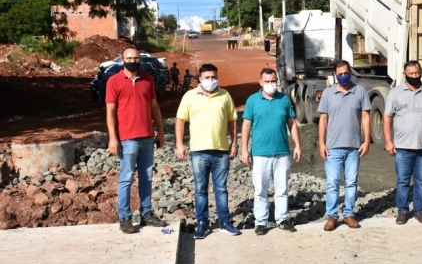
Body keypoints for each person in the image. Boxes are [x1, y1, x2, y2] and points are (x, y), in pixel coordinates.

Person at [175, 63, 241, 238]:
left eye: (214, 77)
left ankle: (224, 222)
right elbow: (180, 120)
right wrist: (179, 145)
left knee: (221, 189)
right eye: (207, 78)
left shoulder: (225, 95)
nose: (211, 81)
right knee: (200, 189)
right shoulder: (190, 96)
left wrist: (234, 144)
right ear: (200, 79)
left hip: (221, 151)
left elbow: (232, 121)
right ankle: (202, 223)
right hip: (198, 151)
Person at [106, 47, 167, 234]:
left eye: (136, 58)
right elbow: (110, 111)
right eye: (129, 58)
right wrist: (113, 138)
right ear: (122, 59)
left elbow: (154, 106)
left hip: (147, 137)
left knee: (146, 177)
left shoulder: (147, 79)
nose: (133, 60)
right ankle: (124, 217)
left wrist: (161, 131)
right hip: (127, 139)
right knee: (126, 178)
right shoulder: (114, 81)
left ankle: (146, 213)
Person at [241, 68, 302, 235]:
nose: (271, 84)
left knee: (281, 188)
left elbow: (292, 123)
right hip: (260, 153)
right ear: (260, 82)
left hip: (282, 152)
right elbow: (246, 125)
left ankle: (282, 219)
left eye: (273, 81)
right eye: (267, 81)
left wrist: (297, 145)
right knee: (260, 189)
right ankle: (261, 222)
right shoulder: (252, 100)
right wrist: (244, 150)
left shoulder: (283, 99)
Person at [383, 61, 422, 225]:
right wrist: (388, 141)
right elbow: (387, 117)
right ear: (405, 74)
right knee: (403, 181)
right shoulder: (395, 93)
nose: (415, 76)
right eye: (411, 74)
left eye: (417, 73)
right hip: (402, 147)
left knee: (421, 181)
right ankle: (402, 211)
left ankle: (420, 211)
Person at [318, 60, 371, 231]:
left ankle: (349, 214)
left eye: (346, 73)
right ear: (335, 74)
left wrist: (367, 140)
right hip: (333, 147)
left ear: (350, 72)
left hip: (353, 147)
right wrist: (321, 143)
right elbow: (323, 119)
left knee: (351, 182)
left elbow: (365, 117)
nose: (343, 76)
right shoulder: (327, 93)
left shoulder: (360, 91)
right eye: (340, 74)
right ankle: (332, 216)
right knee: (332, 182)